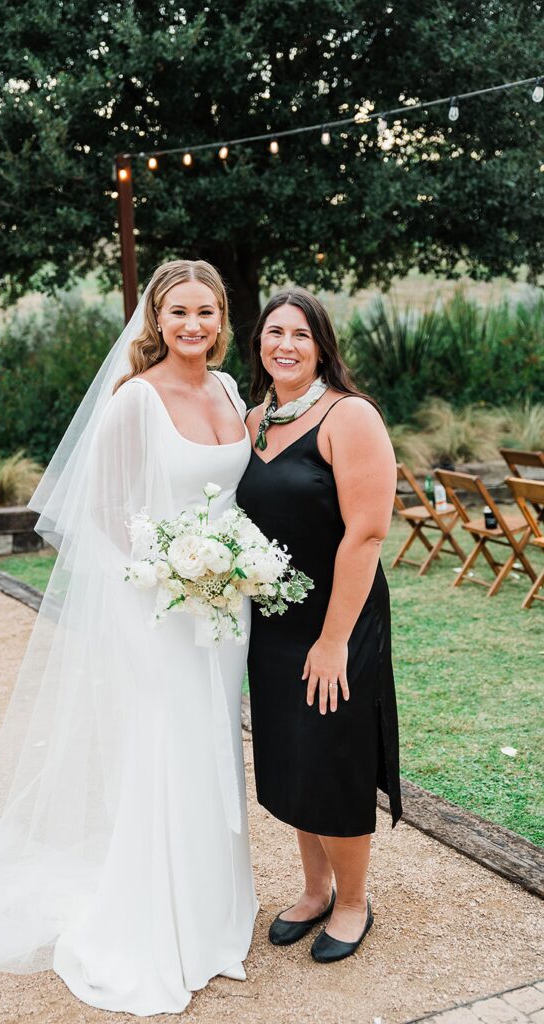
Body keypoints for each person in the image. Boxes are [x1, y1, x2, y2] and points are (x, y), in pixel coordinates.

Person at [0, 260, 258, 1015]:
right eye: (179, 312)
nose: (194, 325)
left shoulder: (229, 391)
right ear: (156, 319)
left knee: (213, 744)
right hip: (161, 606)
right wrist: (171, 574)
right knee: (166, 749)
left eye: (207, 313)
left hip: (225, 605)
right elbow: (104, 515)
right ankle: (156, 923)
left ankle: (215, 913)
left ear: (222, 320)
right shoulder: (134, 403)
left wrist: (228, 567)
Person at [236, 287, 402, 964]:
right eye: (275, 332)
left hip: (340, 618)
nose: (286, 344)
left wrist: (334, 641)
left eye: (301, 334)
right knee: (290, 755)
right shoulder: (252, 421)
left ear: (322, 345)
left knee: (333, 755)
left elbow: (366, 535)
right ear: (259, 345)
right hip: (273, 620)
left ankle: (354, 902)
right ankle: (314, 889)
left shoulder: (349, 416)